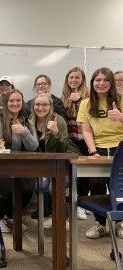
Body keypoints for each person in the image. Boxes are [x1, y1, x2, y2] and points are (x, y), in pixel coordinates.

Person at [77, 67, 123, 239]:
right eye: (97, 80)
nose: (101, 83)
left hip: (120, 147)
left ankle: (120, 222)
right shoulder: (86, 103)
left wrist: (120, 117)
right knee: (96, 184)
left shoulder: (121, 99)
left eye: (105, 80)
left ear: (111, 82)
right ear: (92, 82)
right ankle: (100, 224)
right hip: (99, 148)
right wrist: (93, 151)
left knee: (119, 186)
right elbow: (87, 131)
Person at [0, 89, 38, 232]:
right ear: (5, 103)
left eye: (18, 100)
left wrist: (24, 132)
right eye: (11, 101)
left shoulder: (27, 122)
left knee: (28, 188)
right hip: (0, 166)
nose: (15, 103)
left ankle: (10, 215)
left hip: (21, 167)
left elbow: (33, 147)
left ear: (22, 103)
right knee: (10, 189)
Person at [30, 93, 80, 228]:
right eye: (38, 104)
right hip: (42, 167)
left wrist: (56, 132)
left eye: (45, 104)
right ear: (33, 106)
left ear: (51, 107)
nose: (41, 107)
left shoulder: (59, 120)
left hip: (62, 167)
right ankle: (47, 215)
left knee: (53, 187)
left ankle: (62, 217)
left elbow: (66, 149)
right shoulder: (30, 122)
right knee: (40, 186)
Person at [61, 67, 90, 220]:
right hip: (70, 140)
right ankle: (71, 203)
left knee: (85, 174)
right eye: (71, 77)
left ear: (82, 80)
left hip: (84, 139)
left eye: (77, 78)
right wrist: (69, 102)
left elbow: (87, 116)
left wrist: (78, 100)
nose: (73, 80)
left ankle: (81, 205)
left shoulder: (88, 97)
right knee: (71, 173)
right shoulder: (64, 96)